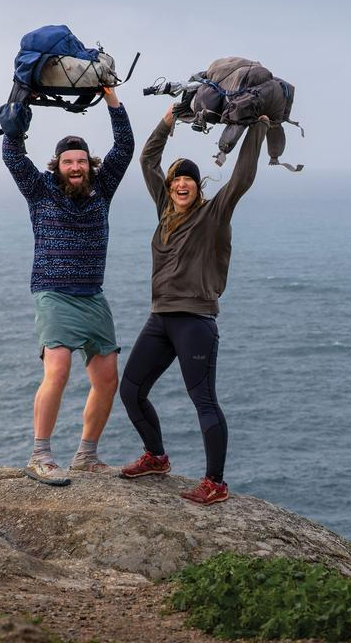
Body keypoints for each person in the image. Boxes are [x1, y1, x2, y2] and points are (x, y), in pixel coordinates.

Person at [118, 105, 267, 504]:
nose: (181, 185)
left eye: (189, 180)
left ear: (199, 187)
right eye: (176, 180)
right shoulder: (164, 211)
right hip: (160, 318)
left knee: (203, 401)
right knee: (131, 389)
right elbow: (148, 159)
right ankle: (157, 456)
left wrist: (257, 129)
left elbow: (242, 177)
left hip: (195, 321)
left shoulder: (214, 214)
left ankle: (215, 482)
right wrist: (168, 120)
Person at [1, 86, 134, 486]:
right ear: (57, 165)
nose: (75, 167)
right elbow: (12, 155)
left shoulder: (102, 189)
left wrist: (111, 97)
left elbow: (124, 145)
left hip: (93, 295)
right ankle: (40, 455)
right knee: (56, 371)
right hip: (54, 293)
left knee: (108, 378)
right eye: (67, 161)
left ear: (89, 164)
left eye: (80, 160)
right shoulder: (39, 192)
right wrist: (18, 103)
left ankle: (86, 456)